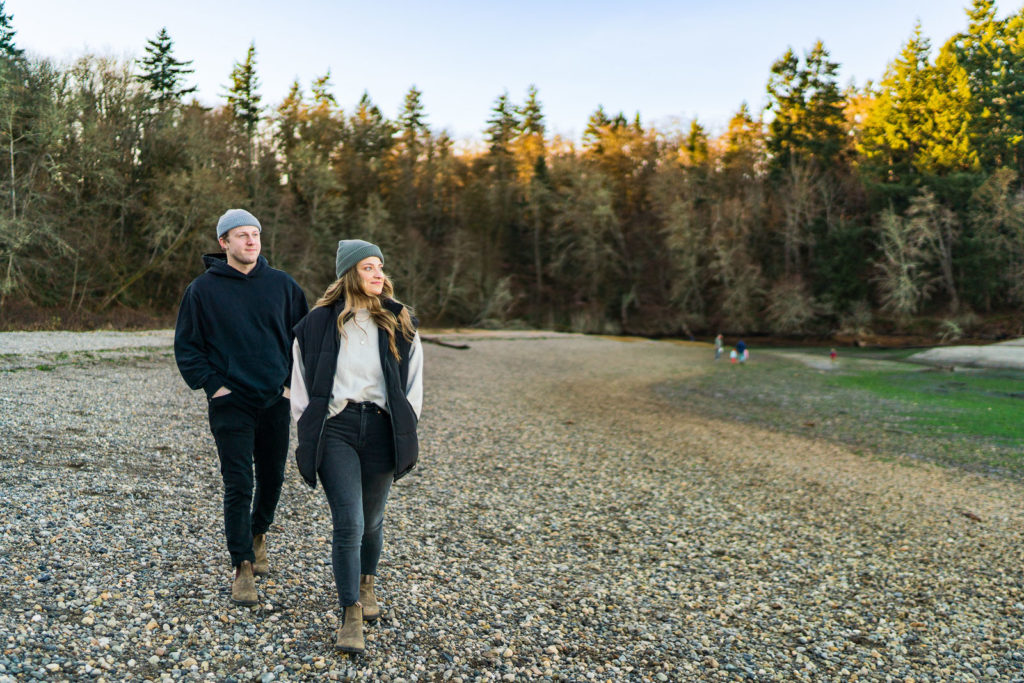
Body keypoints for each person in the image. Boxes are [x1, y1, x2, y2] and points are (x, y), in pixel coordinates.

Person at [291, 239, 423, 654]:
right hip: (338, 429)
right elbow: (298, 381)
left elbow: (414, 380)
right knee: (348, 522)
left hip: (383, 428)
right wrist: (311, 424)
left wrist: (406, 423)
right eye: (368, 267)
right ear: (349, 273)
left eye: (381, 266)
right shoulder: (317, 323)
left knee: (371, 520)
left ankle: (367, 583)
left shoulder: (400, 320)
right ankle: (350, 613)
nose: (379, 274)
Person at [174, 209, 309, 606]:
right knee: (238, 484)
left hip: (274, 400)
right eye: (241, 236)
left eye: (255, 235)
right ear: (223, 243)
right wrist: (215, 387)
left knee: (272, 480)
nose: (251, 241)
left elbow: (303, 344)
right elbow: (188, 347)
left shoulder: (283, 286)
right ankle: (242, 567)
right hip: (230, 403)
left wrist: (288, 388)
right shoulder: (202, 290)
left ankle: (257, 532)